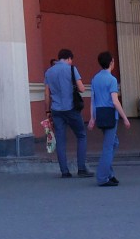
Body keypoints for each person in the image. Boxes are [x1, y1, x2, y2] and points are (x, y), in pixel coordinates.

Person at [42, 48, 89, 178]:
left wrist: (47, 110)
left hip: (56, 109)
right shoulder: (72, 69)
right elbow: (81, 88)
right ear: (69, 58)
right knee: (81, 135)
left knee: (61, 140)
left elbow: (46, 93)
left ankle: (64, 171)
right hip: (71, 108)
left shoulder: (49, 72)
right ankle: (81, 168)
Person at [88, 51, 131, 187]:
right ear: (112, 62)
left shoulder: (95, 78)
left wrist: (92, 118)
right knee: (108, 147)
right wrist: (125, 117)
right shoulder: (112, 80)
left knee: (113, 143)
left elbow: (93, 100)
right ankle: (103, 176)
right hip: (111, 115)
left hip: (100, 114)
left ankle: (109, 174)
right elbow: (115, 101)